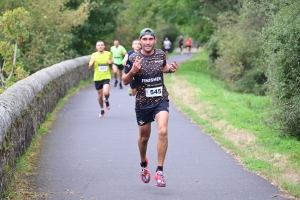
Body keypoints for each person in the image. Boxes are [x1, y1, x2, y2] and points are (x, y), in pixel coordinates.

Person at [122, 28, 178, 187]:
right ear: (140, 41)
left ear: (155, 40)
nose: (147, 42)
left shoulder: (161, 54)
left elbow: (163, 67)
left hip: (161, 98)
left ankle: (160, 171)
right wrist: (132, 71)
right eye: (144, 39)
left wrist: (171, 70)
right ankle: (143, 165)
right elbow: (125, 80)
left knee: (162, 131)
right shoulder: (133, 58)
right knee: (144, 137)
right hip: (142, 103)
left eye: (150, 39)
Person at [89, 40, 113, 118]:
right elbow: (90, 67)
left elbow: (112, 61)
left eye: (101, 45)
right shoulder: (93, 55)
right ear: (96, 47)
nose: (100, 46)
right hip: (97, 77)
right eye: (98, 45)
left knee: (106, 93)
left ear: (104, 46)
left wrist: (111, 62)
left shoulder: (108, 54)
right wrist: (93, 62)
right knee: (99, 95)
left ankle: (106, 99)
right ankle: (102, 109)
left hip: (106, 76)